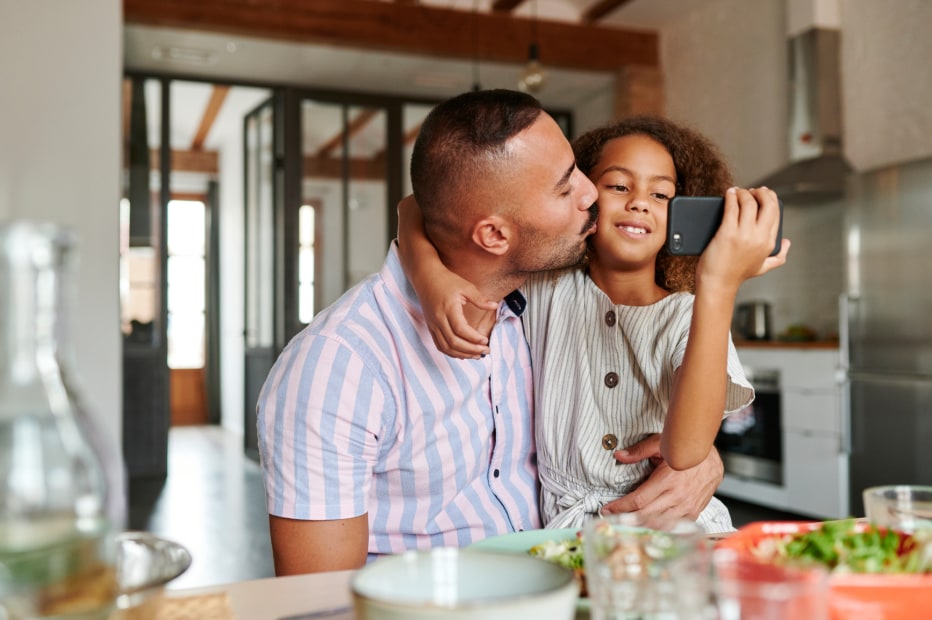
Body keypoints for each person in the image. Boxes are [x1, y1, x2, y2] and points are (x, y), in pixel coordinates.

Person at [256, 90, 741, 576]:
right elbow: (317, 598)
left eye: (578, 171)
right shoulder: (339, 367)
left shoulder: (521, 300)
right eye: (567, 185)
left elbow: (426, 203)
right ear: (494, 236)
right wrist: (429, 276)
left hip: (565, 576)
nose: (592, 194)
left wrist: (698, 457)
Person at [398, 115, 789, 531]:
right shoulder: (547, 285)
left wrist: (719, 284)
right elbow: (418, 204)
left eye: (661, 194)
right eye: (619, 186)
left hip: (673, 530)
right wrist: (429, 277)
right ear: (583, 195)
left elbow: (687, 451)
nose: (639, 202)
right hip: (567, 533)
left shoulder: (688, 315)